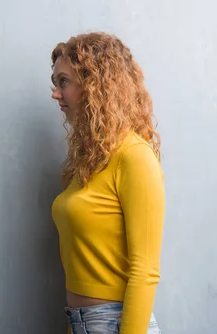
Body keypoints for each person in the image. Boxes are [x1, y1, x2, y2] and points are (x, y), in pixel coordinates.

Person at [50, 32, 165, 334]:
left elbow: (146, 271)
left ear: (93, 84)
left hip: (116, 324)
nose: (55, 93)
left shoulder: (134, 155)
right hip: (82, 323)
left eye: (63, 81)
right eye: (55, 83)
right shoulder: (90, 158)